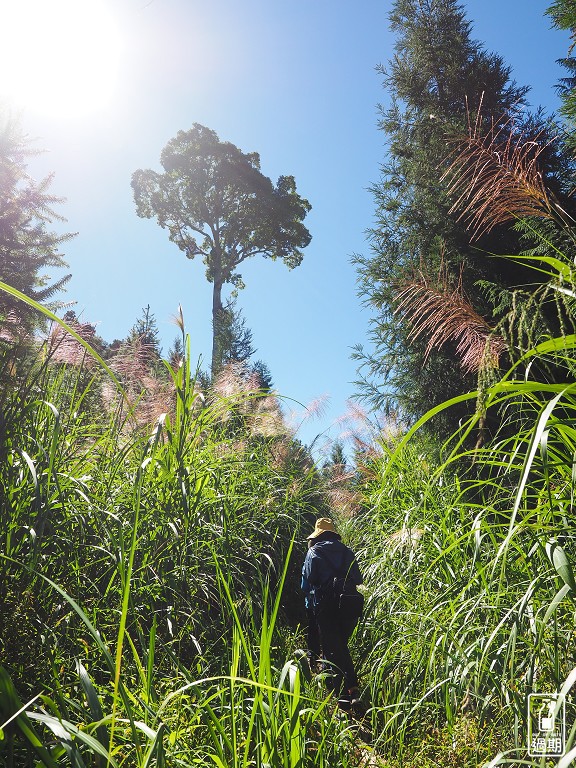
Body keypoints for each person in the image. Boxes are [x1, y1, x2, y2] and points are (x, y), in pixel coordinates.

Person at [301, 517, 364, 709]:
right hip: (350, 606)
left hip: (326, 607)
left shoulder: (313, 552)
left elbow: (307, 583)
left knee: (332, 650)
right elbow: (358, 579)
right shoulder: (347, 552)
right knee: (340, 647)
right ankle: (350, 690)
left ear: (317, 535)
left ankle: (344, 696)